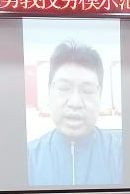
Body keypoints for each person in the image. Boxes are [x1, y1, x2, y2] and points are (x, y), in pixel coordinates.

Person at [27, 41, 122, 186]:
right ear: (49, 92)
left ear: (100, 95)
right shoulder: (29, 157)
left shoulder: (121, 154)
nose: (75, 103)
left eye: (87, 90)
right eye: (64, 88)